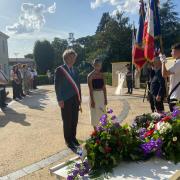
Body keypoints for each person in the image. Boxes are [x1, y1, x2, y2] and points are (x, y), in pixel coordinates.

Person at [55, 49, 81, 153]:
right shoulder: (60, 70)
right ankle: (68, 140)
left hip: (75, 98)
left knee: (74, 119)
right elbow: (57, 85)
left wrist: (80, 99)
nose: (73, 59)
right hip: (65, 99)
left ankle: (73, 138)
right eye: (71, 57)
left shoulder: (75, 70)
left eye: (74, 57)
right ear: (66, 58)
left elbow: (78, 85)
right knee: (67, 120)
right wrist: (60, 99)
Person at [87, 58, 107, 129]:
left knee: (102, 112)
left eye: (99, 65)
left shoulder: (102, 75)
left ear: (101, 66)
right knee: (94, 113)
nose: (97, 66)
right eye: (96, 65)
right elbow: (90, 89)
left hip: (101, 96)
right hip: (94, 96)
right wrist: (92, 100)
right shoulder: (90, 76)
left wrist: (105, 98)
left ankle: (103, 130)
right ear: (93, 65)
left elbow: (104, 88)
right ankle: (95, 131)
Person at [160, 43, 180, 111]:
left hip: (176, 96)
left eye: (173, 51)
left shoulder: (179, 62)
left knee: (176, 119)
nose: (171, 53)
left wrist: (163, 62)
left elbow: (164, 74)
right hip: (175, 95)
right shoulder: (177, 62)